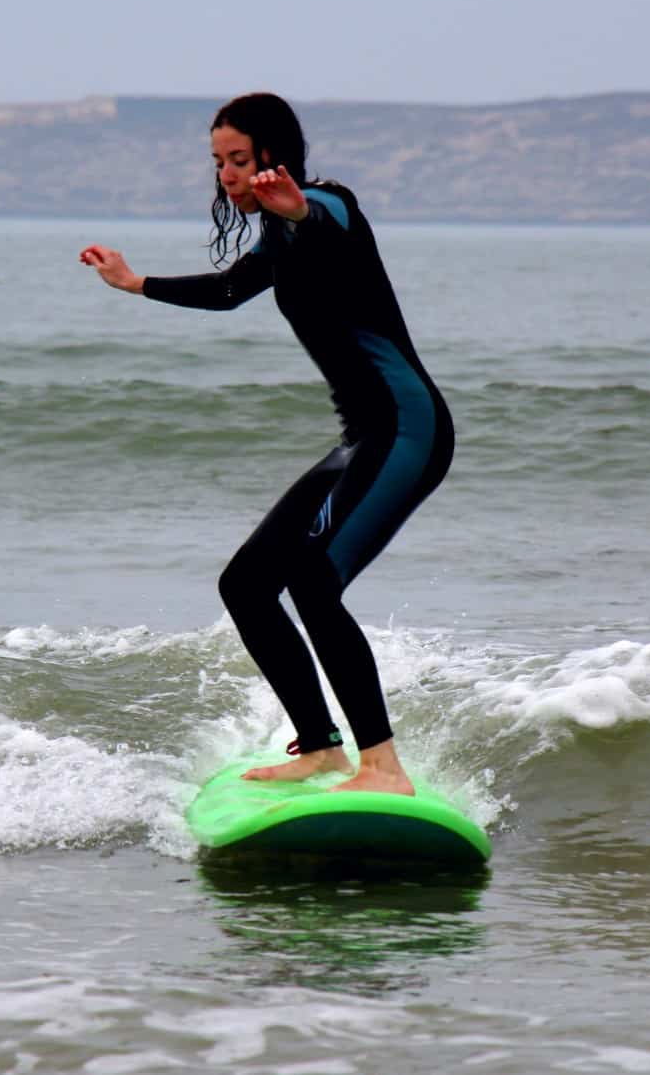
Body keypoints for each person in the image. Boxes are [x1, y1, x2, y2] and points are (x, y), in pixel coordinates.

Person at [79, 93, 452, 797]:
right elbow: (226, 292)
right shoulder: (276, 240)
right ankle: (320, 748)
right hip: (363, 438)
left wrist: (295, 205)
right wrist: (134, 284)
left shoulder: (326, 206)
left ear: (273, 158)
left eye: (239, 160)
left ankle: (383, 767)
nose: (226, 174)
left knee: (313, 582)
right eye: (218, 162)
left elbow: (324, 219)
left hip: (409, 428)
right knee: (246, 585)